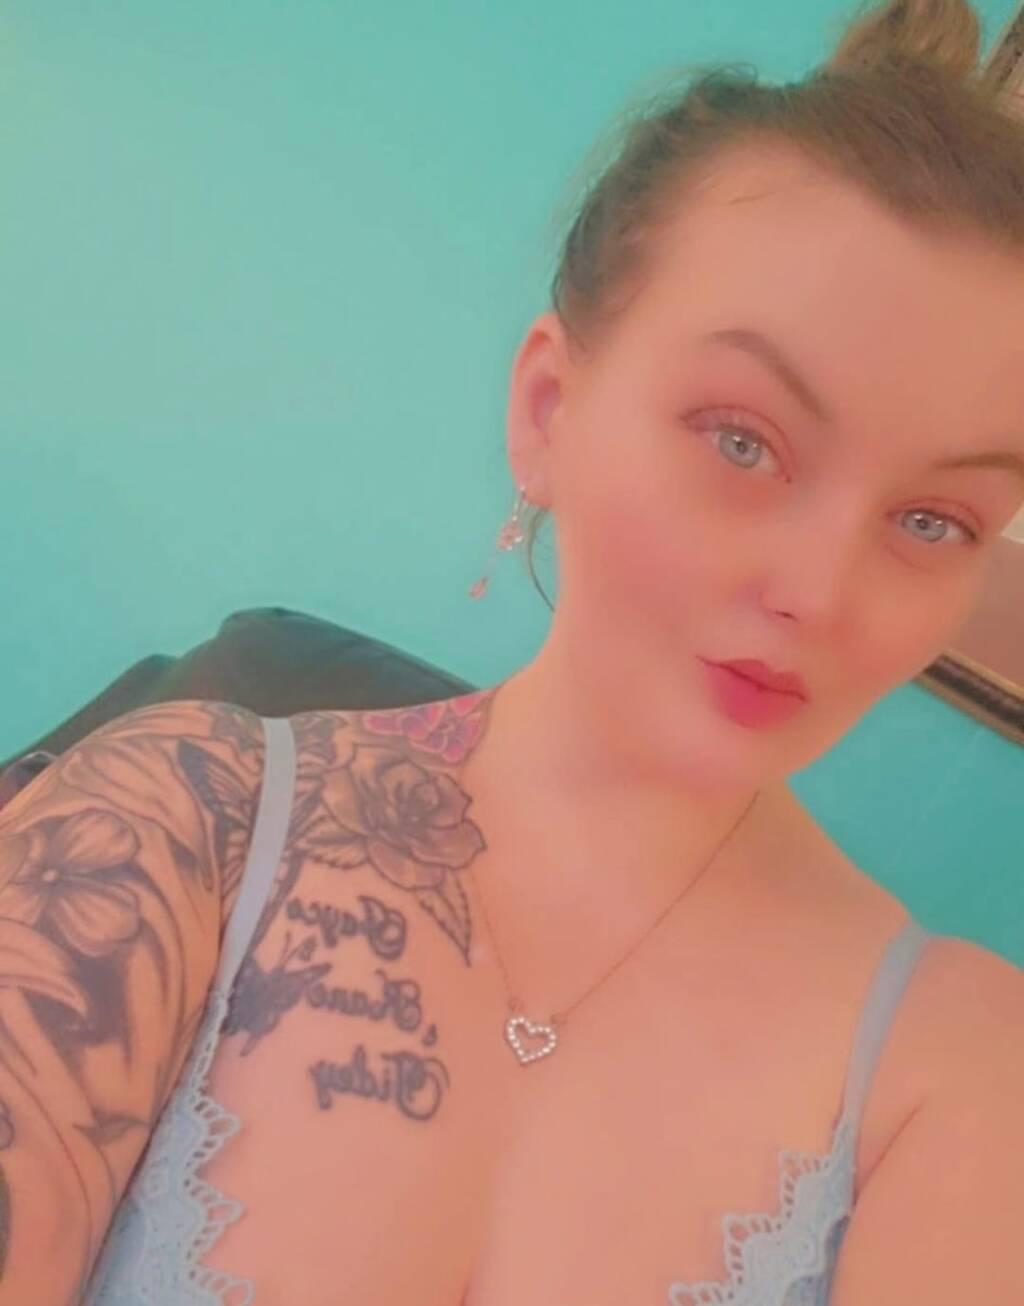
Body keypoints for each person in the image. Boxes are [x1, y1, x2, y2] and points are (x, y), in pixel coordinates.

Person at [2, 0, 1023, 1302]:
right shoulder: (168, 825)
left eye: (933, 521)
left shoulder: (961, 1074)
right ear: (550, 409)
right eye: (744, 440)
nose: (821, 593)